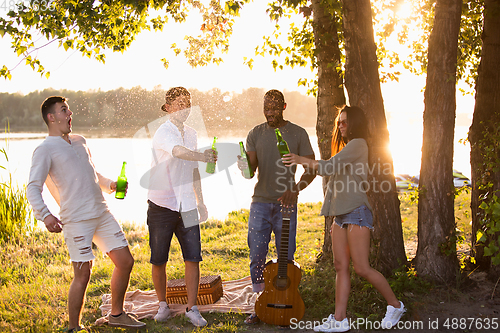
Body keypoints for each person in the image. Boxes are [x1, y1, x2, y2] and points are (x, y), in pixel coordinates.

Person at [26, 96, 146, 332]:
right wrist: (45, 215)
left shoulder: (80, 141)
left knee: (125, 261)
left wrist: (110, 184)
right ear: (51, 117)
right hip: (76, 220)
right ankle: (74, 327)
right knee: (83, 274)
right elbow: (32, 187)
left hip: (101, 212)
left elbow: (92, 174)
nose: (69, 114)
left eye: (68, 109)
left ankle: (117, 314)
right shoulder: (44, 149)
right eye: (63, 110)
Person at [282, 106, 406, 332]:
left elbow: (328, 167)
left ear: (355, 123)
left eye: (345, 122)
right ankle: (339, 320)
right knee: (340, 266)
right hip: (340, 215)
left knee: (362, 268)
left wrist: (300, 159)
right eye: (339, 122)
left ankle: (395, 305)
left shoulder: (359, 144)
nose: (341, 126)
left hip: (357, 211)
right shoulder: (348, 146)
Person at [237, 89, 316, 324]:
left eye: (274, 108)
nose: (269, 113)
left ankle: (286, 302)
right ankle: (260, 303)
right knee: (257, 255)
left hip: (287, 203)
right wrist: (243, 166)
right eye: (266, 109)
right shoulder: (255, 133)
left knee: (286, 257)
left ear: (283, 107)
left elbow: (311, 168)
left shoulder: (298, 133)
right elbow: (250, 173)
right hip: (260, 202)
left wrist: (296, 188)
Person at [146, 87, 216, 327]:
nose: (183, 108)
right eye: (178, 103)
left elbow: (193, 170)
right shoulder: (162, 132)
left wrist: (201, 201)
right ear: (167, 108)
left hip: (186, 203)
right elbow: (178, 152)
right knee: (159, 259)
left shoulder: (193, 134)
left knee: (193, 257)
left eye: (187, 104)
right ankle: (162, 305)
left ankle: (192, 308)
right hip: (161, 203)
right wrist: (203, 156)